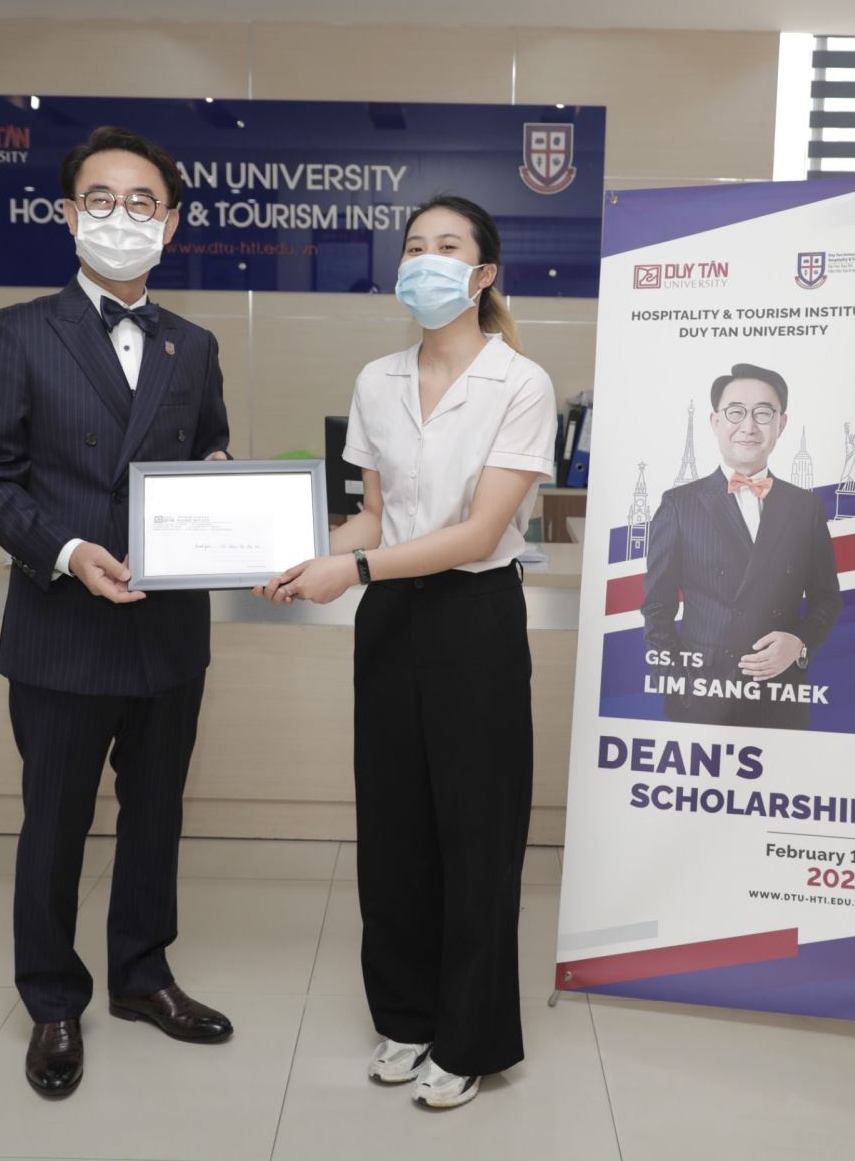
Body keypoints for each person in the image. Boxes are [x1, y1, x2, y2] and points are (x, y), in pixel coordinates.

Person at [255, 195, 557, 1110]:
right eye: (415, 246)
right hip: (390, 616)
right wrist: (295, 551)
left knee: (475, 833)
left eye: (448, 247)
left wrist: (348, 567)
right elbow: (375, 516)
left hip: (474, 617)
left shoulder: (520, 383)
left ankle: (468, 1039)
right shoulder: (377, 379)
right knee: (393, 830)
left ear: (483, 273)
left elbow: (478, 535)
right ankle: (407, 1017)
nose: (426, 260)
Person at [0, 126, 234, 1101]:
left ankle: (143, 976)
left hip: (167, 628)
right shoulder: (18, 333)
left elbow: (207, 452)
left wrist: (219, 485)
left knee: (156, 816)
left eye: (143, 201)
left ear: (172, 223)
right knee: (56, 824)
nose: (124, 216)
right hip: (63, 624)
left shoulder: (194, 344)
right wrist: (69, 552)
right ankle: (52, 999)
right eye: (103, 200)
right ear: (70, 216)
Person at [640, 363, 843, 730]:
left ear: (781, 424)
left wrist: (800, 643)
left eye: (763, 413)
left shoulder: (806, 507)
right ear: (716, 421)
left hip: (780, 692)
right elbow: (657, 606)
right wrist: (675, 680)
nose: (749, 426)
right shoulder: (679, 504)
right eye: (736, 412)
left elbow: (826, 598)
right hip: (700, 692)